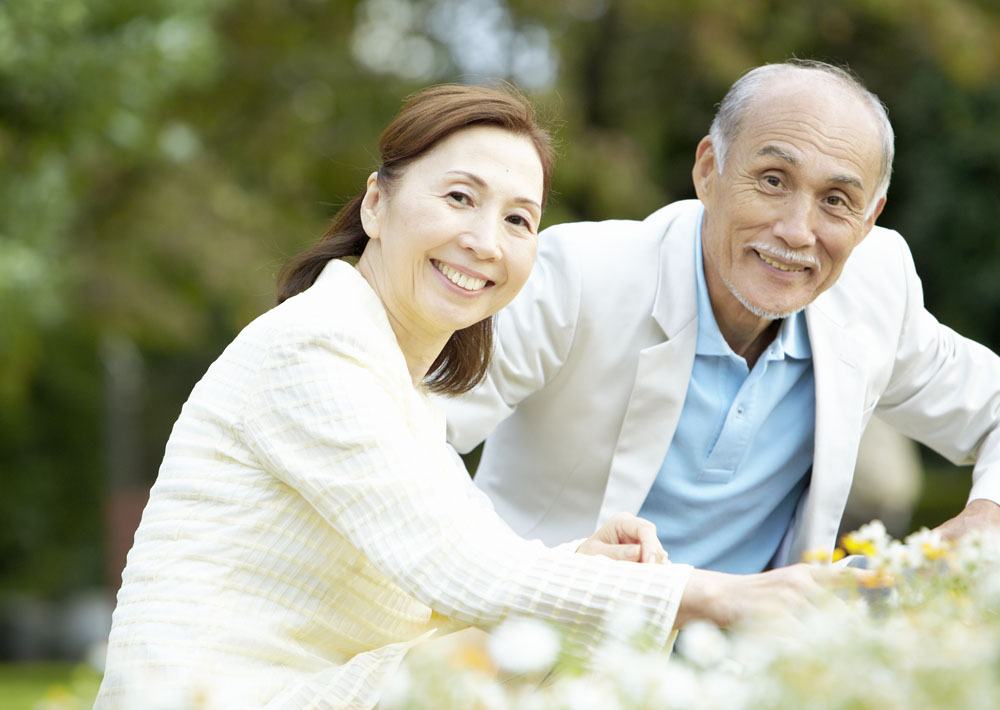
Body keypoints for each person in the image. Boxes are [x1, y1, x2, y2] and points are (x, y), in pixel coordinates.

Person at [97, 84, 836, 710]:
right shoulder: (312, 349)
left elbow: (449, 580)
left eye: (518, 219)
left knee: (538, 645)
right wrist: (717, 596)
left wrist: (584, 563)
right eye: (459, 198)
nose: (486, 240)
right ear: (376, 206)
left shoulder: (402, 385)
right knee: (520, 655)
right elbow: (462, 570)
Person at [441, 60, 1000, 577]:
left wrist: (988, 515)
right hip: (543, 654)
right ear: (709, 171)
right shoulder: (578, 276)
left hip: (752, 669)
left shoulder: (877, 287)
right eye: (774, 179)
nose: (797, 231)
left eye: (836, 200)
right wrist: (545, 571)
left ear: (870, 218)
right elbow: (408, 433)